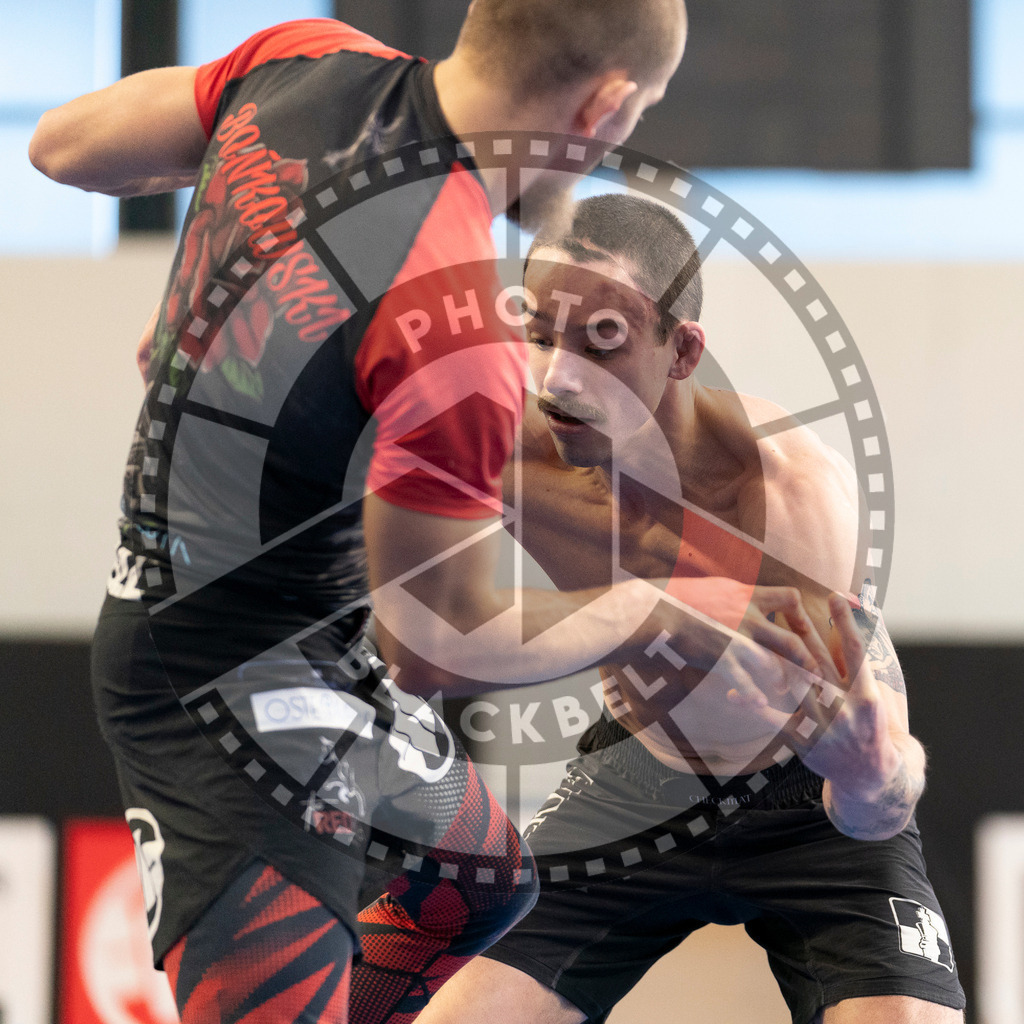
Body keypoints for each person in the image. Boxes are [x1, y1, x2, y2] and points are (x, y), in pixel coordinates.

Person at [30, 7, 834, 1024]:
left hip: (310, 646)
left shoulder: (302, 59)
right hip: (222, 691)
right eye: (639, 117)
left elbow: (61, 147)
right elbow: (434, 645)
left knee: (480, 879)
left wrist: (231, 285)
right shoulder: (454, 334)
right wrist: (656, 612)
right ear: (607, 104)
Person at [415, 194, 967, 1023]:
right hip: (634, 778)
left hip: (805, 805)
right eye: (539, 333)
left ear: (682, 351)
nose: (558, 377)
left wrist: (869, 776)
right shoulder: (503, 452)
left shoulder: (782, 490)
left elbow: (872, 805)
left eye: (603, 341)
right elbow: (410, 625)